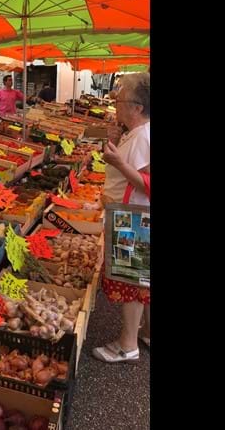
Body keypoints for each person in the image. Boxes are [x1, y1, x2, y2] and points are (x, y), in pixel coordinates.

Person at [93, 72, 151, 364]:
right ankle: (147, 332)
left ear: (137, 107)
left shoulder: (145, 135)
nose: (115, 102)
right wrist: (114, 145)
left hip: (133, 217)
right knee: (142, 280)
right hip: (130, 214)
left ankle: (127, 345)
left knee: (132, 282)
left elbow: (147, 183)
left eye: (120, 100)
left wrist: (118, 163)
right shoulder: (136, 132)